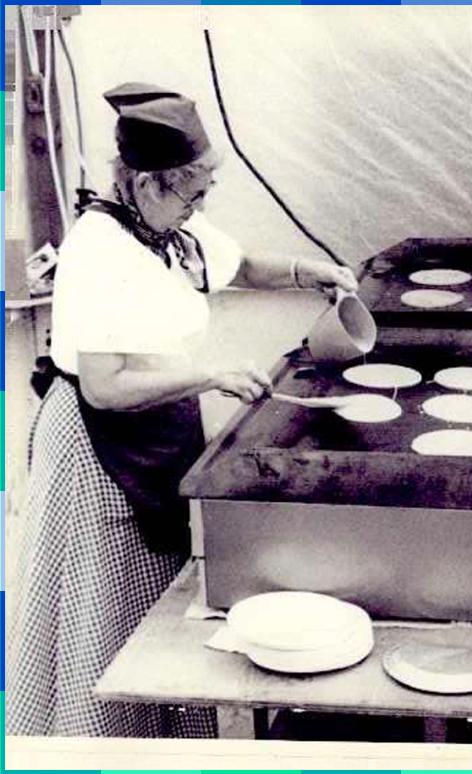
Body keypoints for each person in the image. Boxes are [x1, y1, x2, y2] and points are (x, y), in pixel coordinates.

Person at [6, 83, 358, 737]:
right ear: (144, 184)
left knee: (155, 599)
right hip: (97, 444)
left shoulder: (172, 225)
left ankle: (168, 737)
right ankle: (101, 741)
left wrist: (313, 271)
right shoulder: (99, 250)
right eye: (190, 192)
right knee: (102, 606)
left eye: (203, 192)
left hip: (157, 425)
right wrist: (212, 374)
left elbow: (243, 265)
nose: (200, 205)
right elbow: (105, 386)